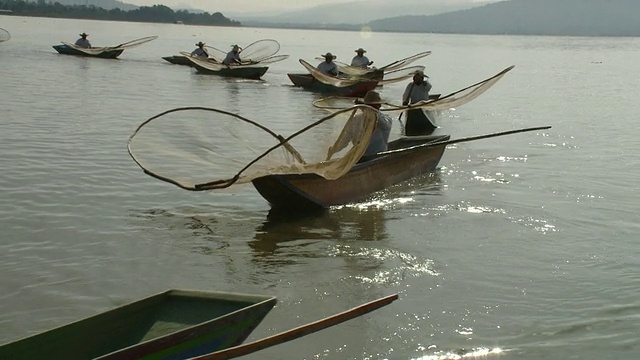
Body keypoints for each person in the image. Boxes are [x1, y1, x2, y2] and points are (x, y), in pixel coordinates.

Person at [401, 70, 437, 136]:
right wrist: (404, 101)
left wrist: (424, 82)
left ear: (422, 78)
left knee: (423, 107)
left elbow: (429, 87)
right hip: (414, 105)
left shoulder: (425, 85)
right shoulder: (411, 85)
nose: (416, 79)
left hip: (424, 105)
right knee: (411, 109)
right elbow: (405, 95)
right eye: (416, 77)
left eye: (419, 78)